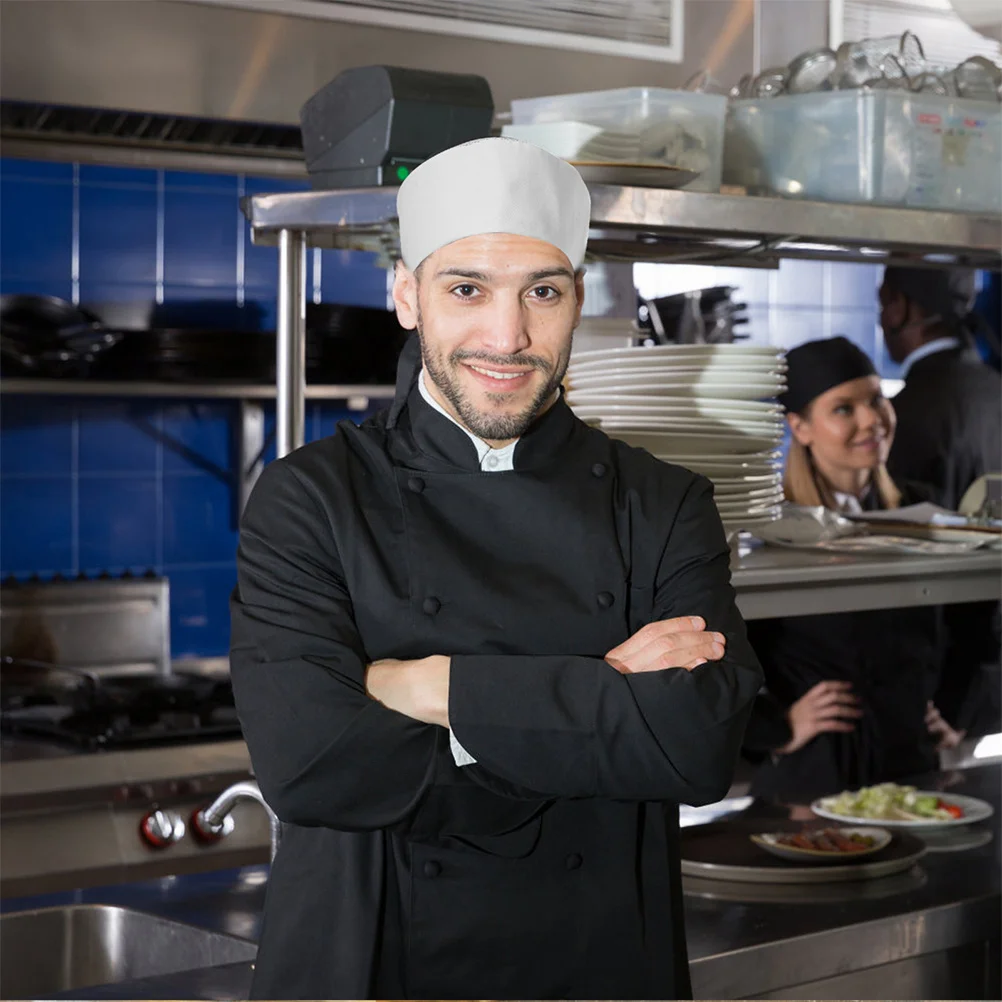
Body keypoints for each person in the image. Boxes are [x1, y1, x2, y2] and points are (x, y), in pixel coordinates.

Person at [230, 137, 762, 1000]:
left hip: (597, 960)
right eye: (466, 288)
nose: (507, 336)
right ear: (406, 295)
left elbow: (696, 747)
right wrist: (602, 695)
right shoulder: (310, 499)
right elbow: (310, 763)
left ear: (577, 300)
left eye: (541, 292)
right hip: (374, 960)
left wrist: (430, 686)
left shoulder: (663, 502)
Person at [744, 337, 963, 803]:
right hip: (816, 772)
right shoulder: (767, 525)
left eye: (876, 399)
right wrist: (777, 727)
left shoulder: (924, 511)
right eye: (844, 409)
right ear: (800, 427)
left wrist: (957, 710)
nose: (871, 420)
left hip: (911, 765)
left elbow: (976, 627)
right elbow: (722, 655)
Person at [880, 266, 1002, 737]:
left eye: (884, 300)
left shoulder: (902, 417)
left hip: (939, 697)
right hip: (989, 686)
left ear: (901, 307)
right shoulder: (993, 389)